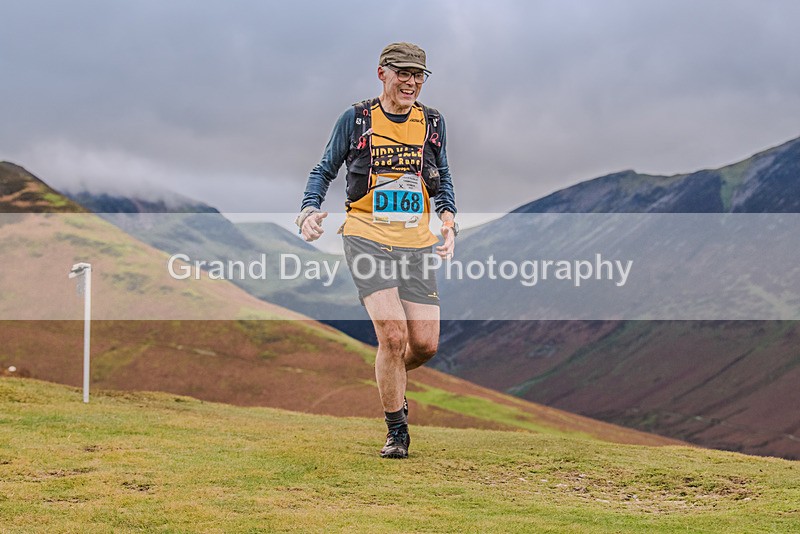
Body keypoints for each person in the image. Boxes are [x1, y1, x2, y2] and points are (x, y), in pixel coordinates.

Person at [296, 42, 458, 459]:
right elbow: (323, 170)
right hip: (365, 234)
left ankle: (390, 380)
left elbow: (443, 176)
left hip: (416, 243)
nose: (411, 82)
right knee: (392, 335)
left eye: (418, 75)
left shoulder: (433, 122)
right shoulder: (356, 119)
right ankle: (397, 430)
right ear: (382, 73)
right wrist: (309, 209)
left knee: (424, 345)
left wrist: (448, 218)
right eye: (402, 73)